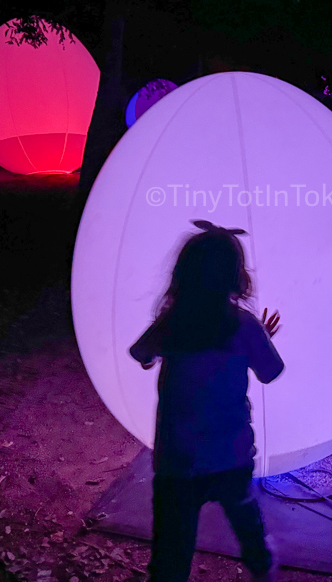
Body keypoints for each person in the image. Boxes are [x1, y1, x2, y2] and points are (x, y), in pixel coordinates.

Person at [130, 220, 285, 582]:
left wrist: (156, 354)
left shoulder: (172, 324)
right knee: (243, 513)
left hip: (177, 460)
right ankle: (261, 564)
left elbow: (142, 353)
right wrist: (261, 337)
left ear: (183, 274)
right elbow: (270, 371)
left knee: (172, 547)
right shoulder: (243, 326)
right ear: (236, 277)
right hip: (230, 454)